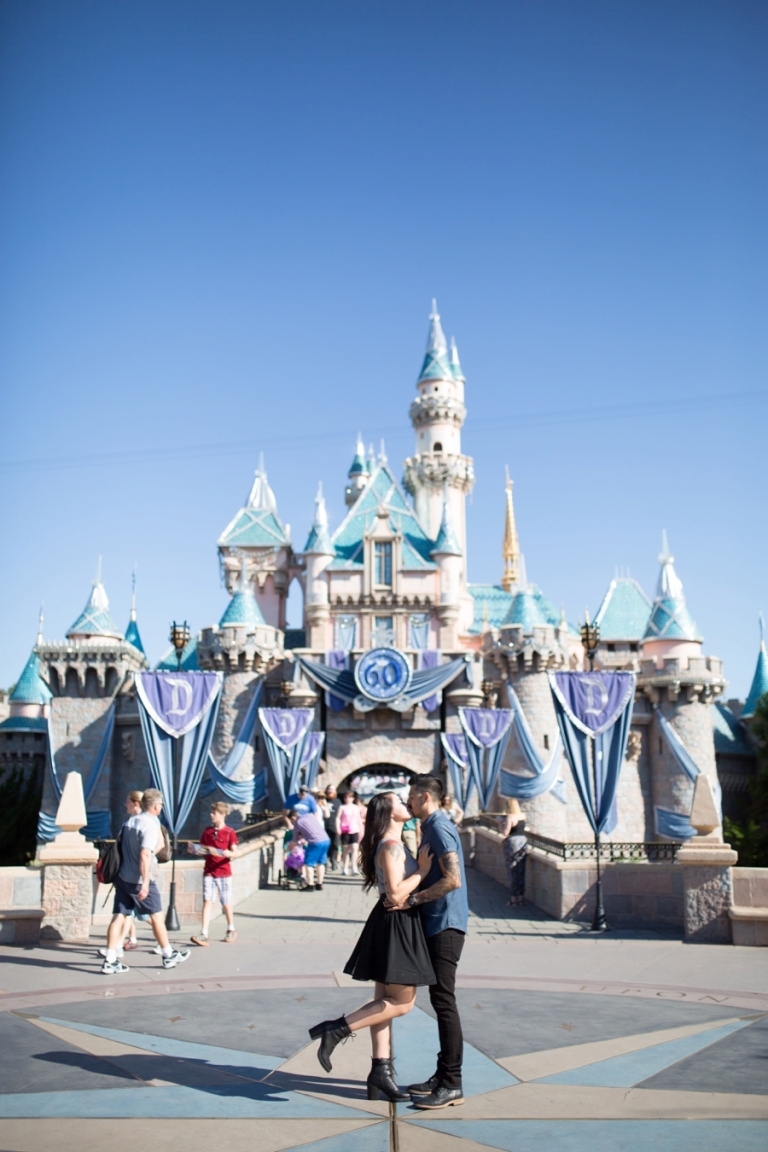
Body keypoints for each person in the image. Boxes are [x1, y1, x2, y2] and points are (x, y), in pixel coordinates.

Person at [308, 791, 434, 1101]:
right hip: (396, 924)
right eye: (401, 802)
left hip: (388, 925)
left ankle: (381, 1070)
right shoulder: (390, 847)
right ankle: (336, 1029)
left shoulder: (393, 843)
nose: (407, 804)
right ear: (390, 813)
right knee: (403, 1003)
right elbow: (394, 894)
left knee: (384, 1004)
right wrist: (422, 872)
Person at [386, 774, 468, 1110]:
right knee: (440, 1001)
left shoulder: (438, 826)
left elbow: (453, 879)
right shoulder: (431, 826)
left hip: (445, 925)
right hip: (439, 923)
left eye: (410, 797)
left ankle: (452, 1083)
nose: (407, 802)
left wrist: (413, 900)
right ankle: (443, 1074)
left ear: (424, 797)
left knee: (444, 1002)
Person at [101, 788, 190, 974]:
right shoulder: (150, 825)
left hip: (123, 878)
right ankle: (168, 955)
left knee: (118, 916)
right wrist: (146, 882)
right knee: (156, 916)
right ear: (157, 806)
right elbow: (144, 854)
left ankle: (110, 960)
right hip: (139, 880)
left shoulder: (130, 822)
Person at [98, 791, 142, 959]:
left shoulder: (143, 823)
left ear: (136, 803)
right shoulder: (128, 823)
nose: (125, 804)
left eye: (128, 802)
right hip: (127, 876)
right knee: (125, 913)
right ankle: (116, 947)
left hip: (138, 878)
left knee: (150, 915)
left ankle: (165, 948)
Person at [189, 801, 239, 945]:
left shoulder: (229, 832)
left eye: (214, 813)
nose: (211, 815)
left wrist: (227, 853)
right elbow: (203, 849)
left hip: (223, 872)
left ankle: (231, 929)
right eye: (211, 812)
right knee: (207, 901)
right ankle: (204, 933)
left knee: (226, 901)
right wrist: (194, 850)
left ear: (222, 815)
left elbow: (235, 852)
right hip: (209, 871)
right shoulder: (207, 831)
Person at [288, 806, 331, 890]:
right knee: (321, 862)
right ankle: (319, 883)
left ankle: (310, 884)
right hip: (326, 839)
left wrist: (287, 850)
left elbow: (294, 841)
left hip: (315, 842)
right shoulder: (310, 816)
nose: (292, 822)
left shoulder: (298, 823)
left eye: (292, 821)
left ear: (293, 817)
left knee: (308, 864)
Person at [500, 798, 528, 906]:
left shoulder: (510, 817)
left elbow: (505, 832)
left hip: (512, 843)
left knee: (512, 871)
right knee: (521, 871)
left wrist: (500, 823)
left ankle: (513, 899)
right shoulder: (522, 816)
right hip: (523, 842)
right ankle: (521, 898)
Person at [336, 790, 363, 875]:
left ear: (353, 798)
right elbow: (338, 818)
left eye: (349, 797)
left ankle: (354, 867)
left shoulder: (356, 807)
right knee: (345, 849)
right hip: (345, 830)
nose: (347, 799)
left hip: (355, 829)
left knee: (355, 848)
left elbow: (359, 819)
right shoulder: (342, 807)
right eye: (346, 797)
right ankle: (345, 867)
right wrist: (338, 828)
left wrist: (361, 830)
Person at [324, 785, 342, 870]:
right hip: (324, 826)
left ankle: (333, 860)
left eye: (332, 789)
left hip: (334, 826)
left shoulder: (338, 801)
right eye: (329, 789)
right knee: (326, 844)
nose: (330, 791)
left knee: (335, 845)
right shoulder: (323, 800)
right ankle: (326, 861)